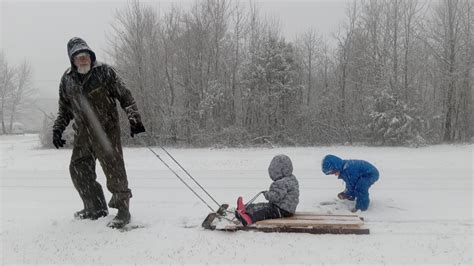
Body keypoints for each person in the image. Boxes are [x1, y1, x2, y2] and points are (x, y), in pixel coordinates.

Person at [53, 37, 145, 229]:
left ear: (90, 55)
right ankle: (95, 207)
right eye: (78, 56)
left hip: (106, 131)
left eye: (85, 55)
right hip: (82, 134)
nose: (83, 59)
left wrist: (134, 119)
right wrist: (58, 128)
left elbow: (125, 96)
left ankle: (123, 211)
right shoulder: (67, 79)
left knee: (114, 170)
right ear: (72, 59)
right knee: (78, 169)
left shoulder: (105, 72)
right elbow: (64, 109)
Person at [235, 154, 299, 226]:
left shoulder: (281, 183)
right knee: (260, 205)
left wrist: (267, 194)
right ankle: (244, 209)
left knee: (263, 211)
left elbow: (275, 197)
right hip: (287, 209)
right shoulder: (291, 179)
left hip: (281, 210)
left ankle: (248, 218)